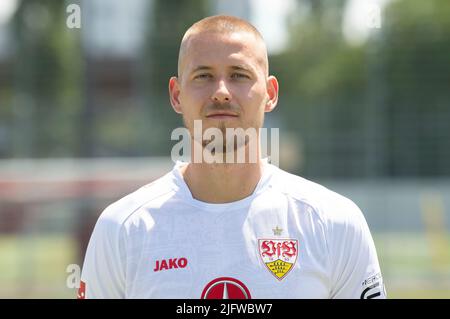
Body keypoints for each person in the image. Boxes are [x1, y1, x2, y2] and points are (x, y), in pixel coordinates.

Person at [79, 15, 386, 299]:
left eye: (239, 75)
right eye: (203, 76)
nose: (221, 91)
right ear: (176, 95)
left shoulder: (333, 222)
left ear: (270, 93)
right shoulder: (122, 228)